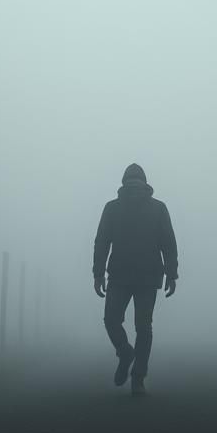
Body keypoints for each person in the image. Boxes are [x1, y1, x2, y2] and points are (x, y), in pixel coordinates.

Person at [93, 163, 178, 397]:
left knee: (112, 320)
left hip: (121, 275)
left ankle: (125, 352)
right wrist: (171, 274)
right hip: (147, 277)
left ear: (124, 182)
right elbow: (169, 245)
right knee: (144, 328)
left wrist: (98, 273)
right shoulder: (159, 208)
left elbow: (101, 242)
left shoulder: (112, 208)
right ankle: (138, 378)